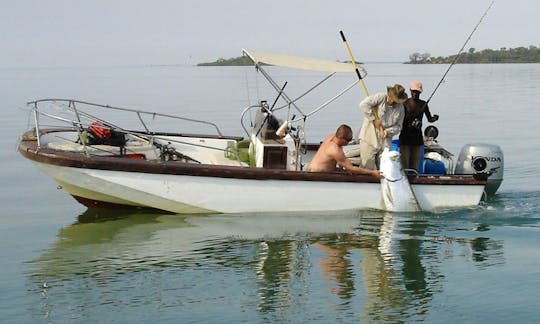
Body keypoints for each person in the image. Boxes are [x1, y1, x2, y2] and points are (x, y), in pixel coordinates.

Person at [358, 84, 408, 169]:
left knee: (384, 168)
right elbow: (363, 105)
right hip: (369, 138)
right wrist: (373, 119)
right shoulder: (380, 97)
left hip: (385, 141)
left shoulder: (400, 107)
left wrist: (387, 131)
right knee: (367, 165)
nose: (394, 101)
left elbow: (399, 126)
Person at [306, 124, 382, 178]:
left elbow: (343, 161)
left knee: (343, 171)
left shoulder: (330, 137)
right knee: (352, 173)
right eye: (348, 140)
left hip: (312, 168)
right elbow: (351, 169)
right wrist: (372, 172)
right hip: (318, 174)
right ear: (342, 139)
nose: (348, 142)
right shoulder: (335, 150)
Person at [399, 81, 439, 170]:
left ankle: (414, 179)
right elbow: (399, 119)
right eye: (413, 91)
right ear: (410, 90)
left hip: (417, 138)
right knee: (404, 164)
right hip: (405, 137)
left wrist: (435, 118)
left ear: (420, 92)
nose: (415, 94)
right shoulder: (404, 103)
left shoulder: (423, 104)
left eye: (417, 92)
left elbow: (430, 119)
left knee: (415, 164)